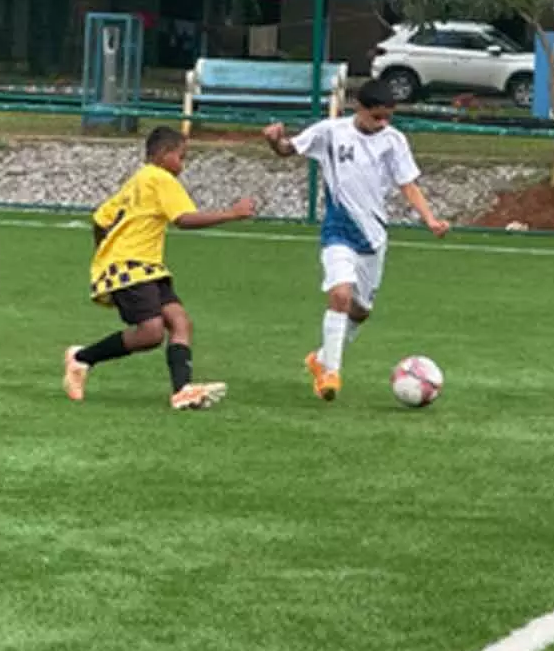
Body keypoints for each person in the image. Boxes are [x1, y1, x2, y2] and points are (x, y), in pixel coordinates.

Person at [261, 79, 450, 402]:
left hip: (373, 237)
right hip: (338, 231)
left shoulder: (394, 141)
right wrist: (274, 140)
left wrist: (430, 219)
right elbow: (287, 150)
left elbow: (408, 184)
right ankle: (331, 373)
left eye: (388, 116)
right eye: (377, 116)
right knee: (340, 294)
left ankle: (320, 359)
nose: (383, 123)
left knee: (360, 311)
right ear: (359, 108)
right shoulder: (331, 132)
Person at [63, 126, 256, 410]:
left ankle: (182, 390)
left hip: (147, 267)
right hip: (131, 265)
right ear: (164, 154)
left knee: (180, 322)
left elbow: (100, 220)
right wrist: (232, 213)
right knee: (152, 333)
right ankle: (81, 359)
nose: (182, 165)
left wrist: (104, 256)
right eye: (181, 156)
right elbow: (184, 219)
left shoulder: (138, 180)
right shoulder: (160, 178)